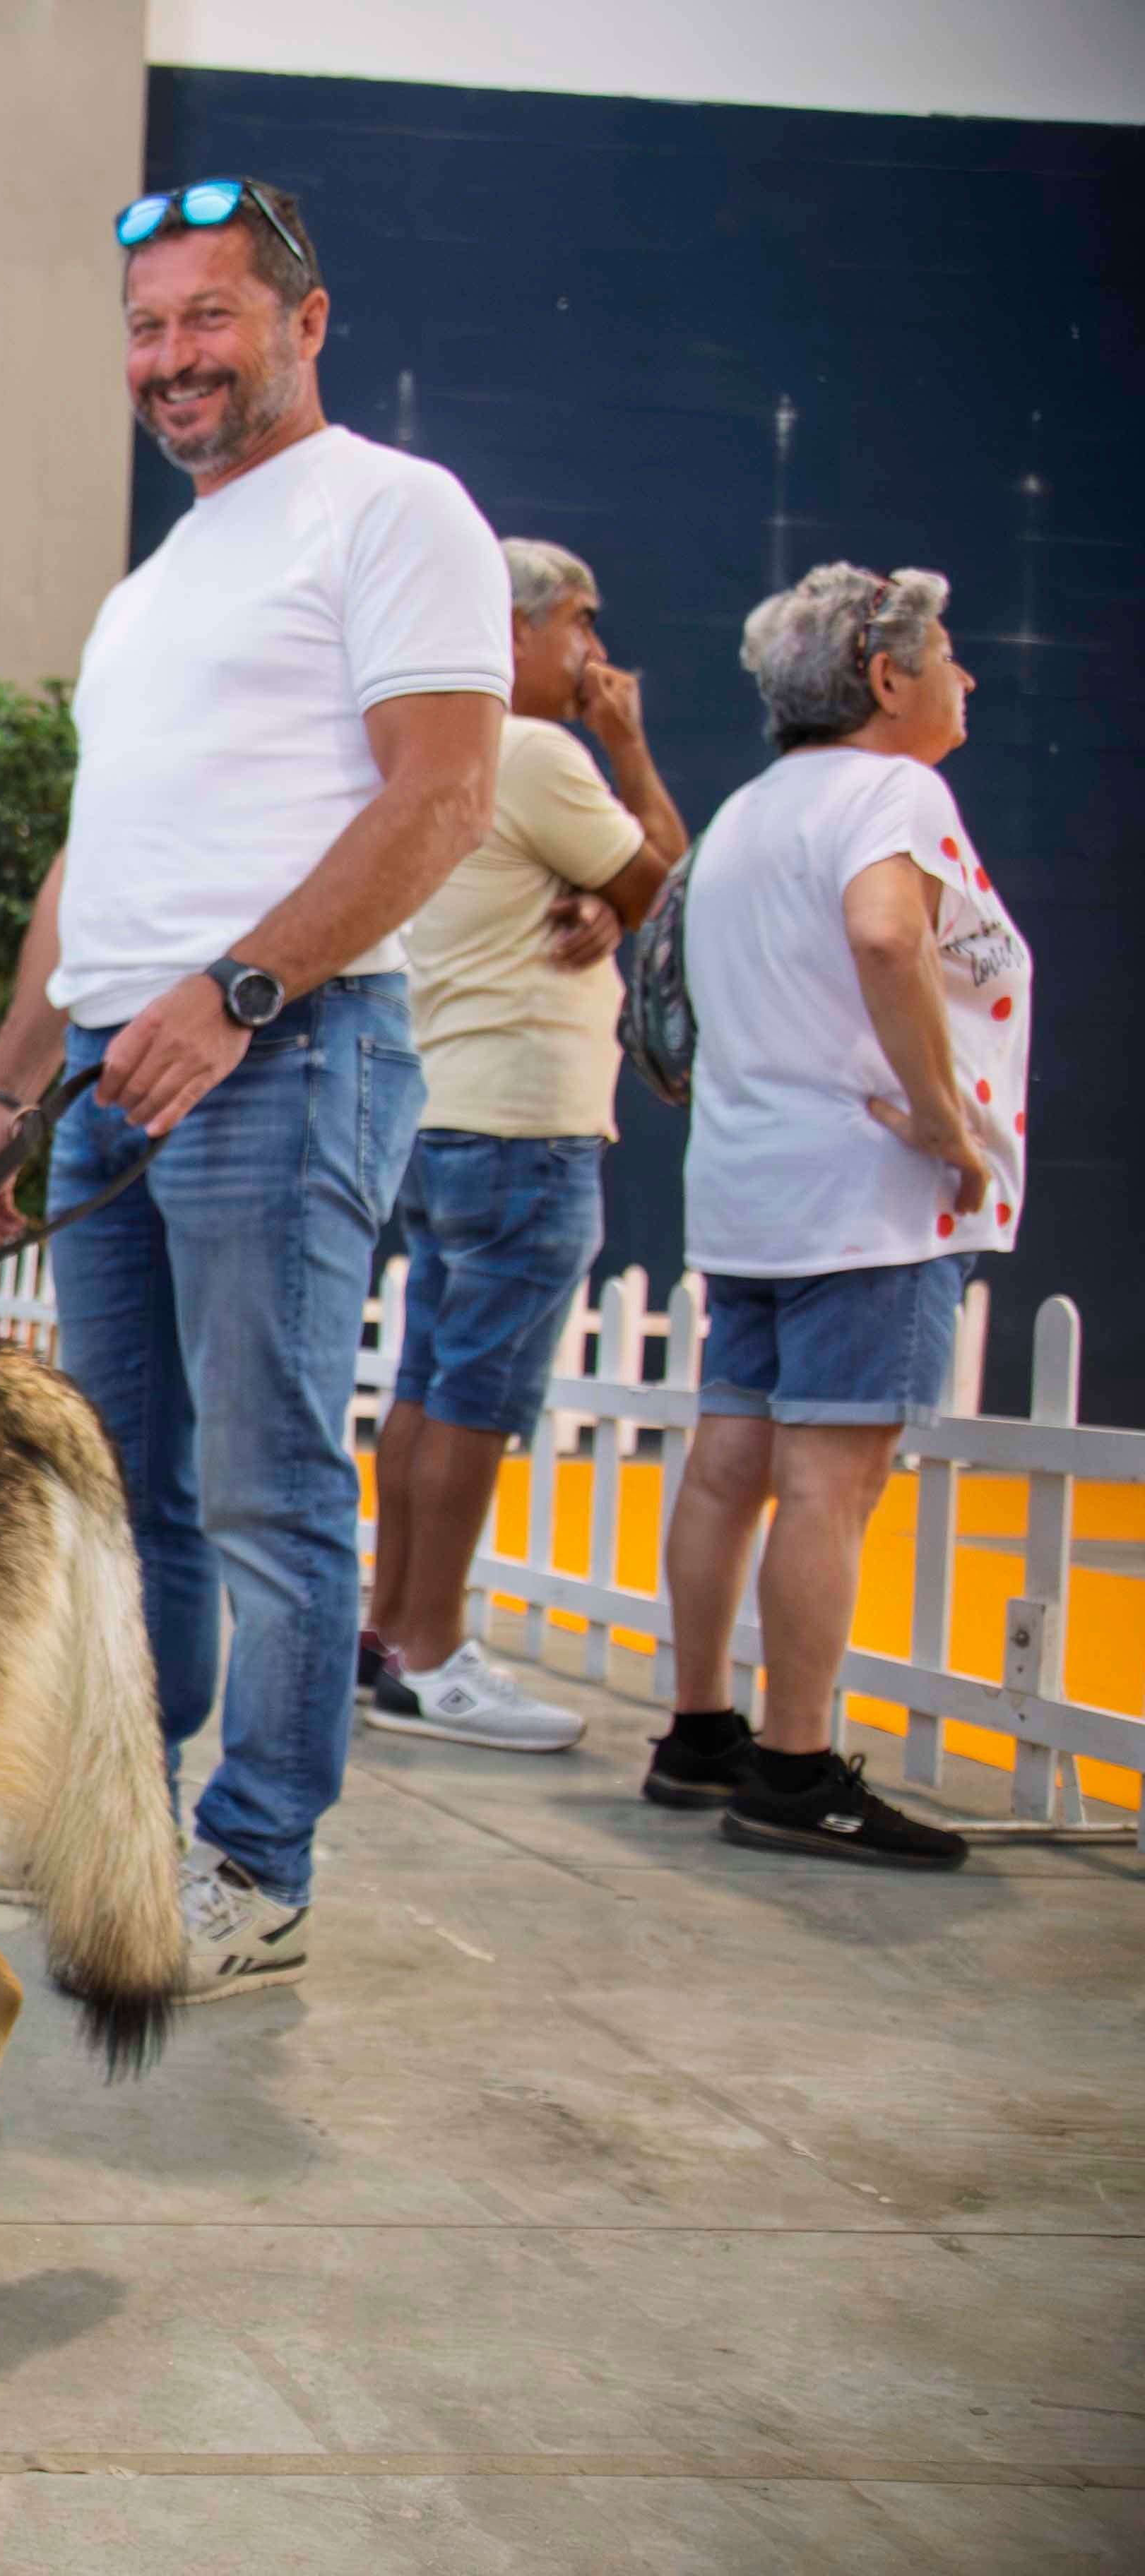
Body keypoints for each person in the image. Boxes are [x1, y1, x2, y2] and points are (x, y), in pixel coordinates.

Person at [0, 179, 508, 2001]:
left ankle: (257, 1857)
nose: (172, 357)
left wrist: (245, 989)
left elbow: (440, 797)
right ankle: (126, 1814)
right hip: (116, 1067)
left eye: (208, 317)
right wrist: (11, 1086)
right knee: (130, 1495)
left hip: (282, 1053)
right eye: (147, 326)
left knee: (269, 1490)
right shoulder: (159, 582)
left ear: (303, 322)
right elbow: (93, 870)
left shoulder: (395, 513)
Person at [650, 566, 1021, 1871]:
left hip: (748, 1182)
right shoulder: (896, 791)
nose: (963, 677)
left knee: (727, 1462)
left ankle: (700, 1731)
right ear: (884, 679)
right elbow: (883, 935)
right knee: (829, 1482)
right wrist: (940, 1115)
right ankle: (797, 1768)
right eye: (948, 655)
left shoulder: (746, 810)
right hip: (858, 1198)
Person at [360, 538, 685, 1749]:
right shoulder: (540, 748)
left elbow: (613, 892)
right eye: (580, 626)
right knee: (478, 1398)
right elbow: (675, 886)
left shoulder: (420, 744)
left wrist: (605, 898)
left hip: (442, 1104)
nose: (596, 653)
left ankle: (389, 1628)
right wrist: (632, 750)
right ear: (510, 630)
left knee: (425, 1385)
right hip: (528, 1120)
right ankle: (434, 1654)